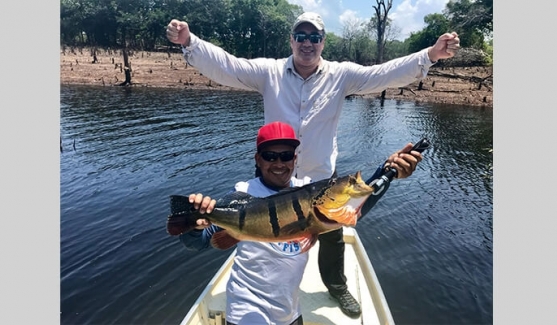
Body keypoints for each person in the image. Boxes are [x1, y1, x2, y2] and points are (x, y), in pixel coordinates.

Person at [166, 11, 455, 317]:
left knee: (333, 238)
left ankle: (336, 284)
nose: (307, 43)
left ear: (322, 42)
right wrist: (189, 42)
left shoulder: (341, 75)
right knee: (261, 236)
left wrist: (430, 55)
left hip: (322, 181)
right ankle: (260, 289)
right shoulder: (269, 72)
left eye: (314, 37)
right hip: (275, 174)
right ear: (291, 40)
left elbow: (383, 74)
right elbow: (228, 66)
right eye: (301, 36)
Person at [179, 121, 421, 325]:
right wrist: (193, 224)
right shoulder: (243, 193)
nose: (279, 163)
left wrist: (387, 173)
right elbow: (199, 242)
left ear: (295, 159)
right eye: (270, 156)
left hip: (290, 310)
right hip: (246, 307)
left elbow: (354, 204)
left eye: (286, 156)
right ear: (258, 159)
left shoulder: (307, 191)